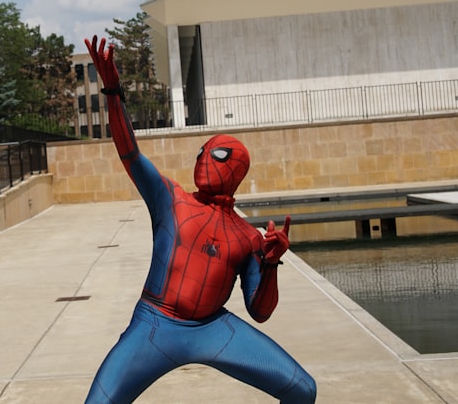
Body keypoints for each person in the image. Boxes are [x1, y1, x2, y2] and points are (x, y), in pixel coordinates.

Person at [84, 36, 316, 404]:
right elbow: (129, 151)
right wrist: (112, 91)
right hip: (154, 323)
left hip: (212, 328)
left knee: (303, 390)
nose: (206, 159)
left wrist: (270, 264)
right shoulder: (170, 199)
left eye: (218, 155)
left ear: (237, 169)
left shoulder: (247, 237)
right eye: (203, 151)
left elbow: (260, 311)